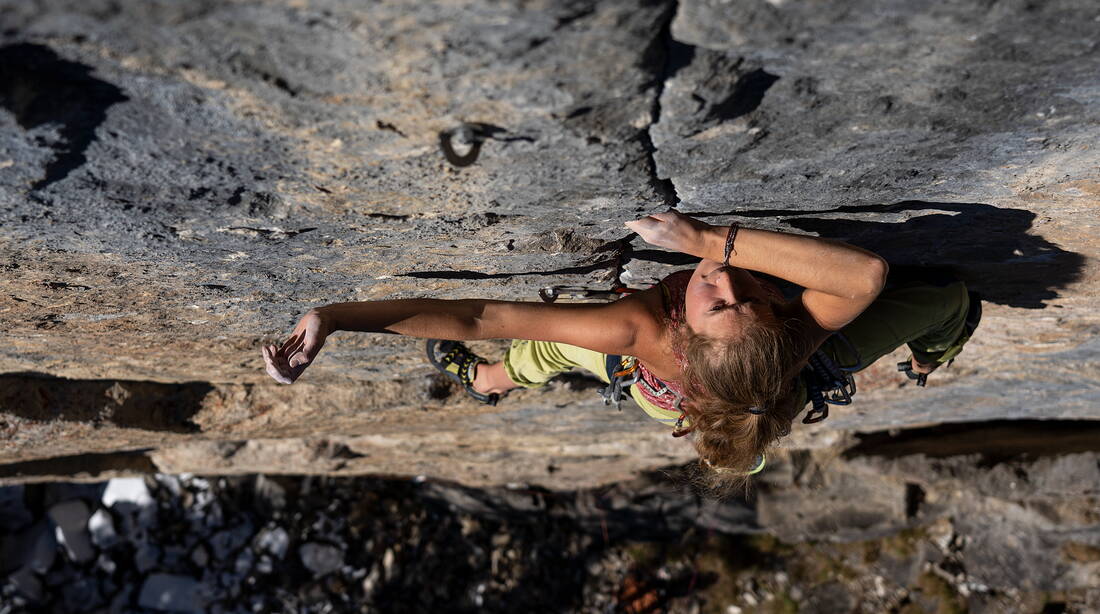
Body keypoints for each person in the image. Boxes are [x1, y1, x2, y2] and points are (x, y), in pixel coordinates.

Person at [263, 211, 978, 493]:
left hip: (656, 391)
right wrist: (712, 252)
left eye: (723, 303)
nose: (726, 282)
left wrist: (337, 318)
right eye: (745, 296)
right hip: (793, 368)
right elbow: (866, 277)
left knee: (557, 349)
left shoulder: (644, 333)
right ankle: (488, 377)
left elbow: (479, 314)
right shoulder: (787, 330)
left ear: (686, 334)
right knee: (929, 293)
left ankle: (490, 380)